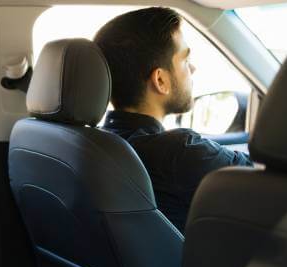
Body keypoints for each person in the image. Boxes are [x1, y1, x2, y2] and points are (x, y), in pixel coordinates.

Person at [93, 7, 253, 232]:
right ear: (160, 80)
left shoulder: (93, 144)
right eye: (185, 60)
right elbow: (267, 182)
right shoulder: (180, 153)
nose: (193, 68)